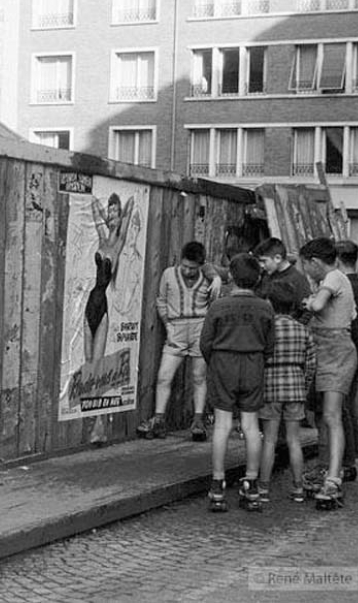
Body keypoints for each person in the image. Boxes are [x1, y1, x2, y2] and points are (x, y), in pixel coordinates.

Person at [200, 253, 274, 512]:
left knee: (222, 425)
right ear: (256, 279)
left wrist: (216, 362)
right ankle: (251, 483)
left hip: (223, 363)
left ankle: (218, 483)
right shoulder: (265, 307)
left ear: (231, 275)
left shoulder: (218, 306)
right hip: (253, 364)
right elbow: (270, 346)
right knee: (251, 426)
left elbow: (205, 343)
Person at [137, 241, 221, 441]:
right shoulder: (168, 274)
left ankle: (198, 421)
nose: (187, 270)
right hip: (176, 328)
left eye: (192, 268)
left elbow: (215, 303)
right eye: (184, 266)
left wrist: (216, 277)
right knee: (164, 376)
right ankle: (158, 419)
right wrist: (167, 324)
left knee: (199, 377)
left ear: (200, 265)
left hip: (200, 327)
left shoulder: (209, 278)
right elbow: (161, 300)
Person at [299, 238, 357, 508]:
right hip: (326, 350)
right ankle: (327, 468)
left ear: (314, 262)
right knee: (323, 415)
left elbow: (319, 306)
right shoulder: (339, 280)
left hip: (335, 353)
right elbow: (349, 314)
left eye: (305, 265)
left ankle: (334, 478)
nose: (305, 271)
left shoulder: (333, 277)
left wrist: (308, 301)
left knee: (332, 416)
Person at [257, 282, 316, 503]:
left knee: (270, 441)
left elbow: (259, 359)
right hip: (296, 388)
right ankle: (298, 488)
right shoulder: (303, 329)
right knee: (294, 440)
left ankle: (263, 489)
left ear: (270, 304)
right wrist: (304, 384)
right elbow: (311, 364)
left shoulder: (266, 329)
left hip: (270, 388)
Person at [335, 240, 358, 483]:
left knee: (340, 411)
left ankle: (345, 461)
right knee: (348, 408)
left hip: (342, 356)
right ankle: (351, 457)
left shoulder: (340, 290)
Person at [84, 192, 135, 362]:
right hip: (90, 303)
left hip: (102, 308)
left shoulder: (119, 243)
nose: (112, 214)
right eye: (110, 211)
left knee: (96, 363)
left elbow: (130, 206)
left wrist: (123, 211)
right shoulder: (102, 240)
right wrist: (106, 217)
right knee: (88, 361)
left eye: (115, 211)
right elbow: (94, 205)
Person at [252, 237, 312, 320]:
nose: (261, 265)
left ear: (277, 258)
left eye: (264, 261)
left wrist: (293, 328)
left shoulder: (297, 280)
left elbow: (308, 312)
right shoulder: (266, 276)